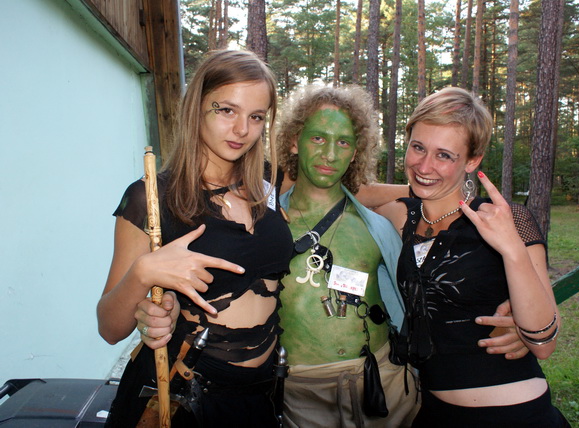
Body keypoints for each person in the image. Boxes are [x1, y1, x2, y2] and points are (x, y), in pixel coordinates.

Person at [275, 84, 529, 428]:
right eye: (318, 138)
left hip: (387, 385)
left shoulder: (379, 226)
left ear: (356, 151)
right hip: (301, 393)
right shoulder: (267, 224)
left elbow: (437, 282)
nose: (330, 154)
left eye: (344, 142)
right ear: (294, 140)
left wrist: (525, 322)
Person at [97, 49, 293, 427]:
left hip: (260, 396)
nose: (243, 130)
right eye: (227, 110)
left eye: (256, 117)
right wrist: (144, 273)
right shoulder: (151, 198)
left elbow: (336, 187)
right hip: (184, 395)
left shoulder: (267, 185)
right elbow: (109, 328)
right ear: (196, 107)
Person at [376, 87, 570, 427]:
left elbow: (544, 342)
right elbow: (344, 190)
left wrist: (512, 250)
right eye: (418, 147)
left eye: (444, 155)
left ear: (472, 160)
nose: (424, 165)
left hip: (513, 415)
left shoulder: (507, 220)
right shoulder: (398, 215)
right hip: (432, 412)